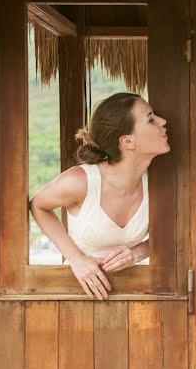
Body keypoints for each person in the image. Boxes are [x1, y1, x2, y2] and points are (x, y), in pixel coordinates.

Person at [29, 92, 169, 299]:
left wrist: (136, 254)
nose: (163, 122)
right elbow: (38, 205)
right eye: (151, 119)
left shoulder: (158, 184)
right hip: (76, 294)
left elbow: (171, 236)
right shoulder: (81, 181)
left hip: (134, 295)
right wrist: (76, 259)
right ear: (128, 141)